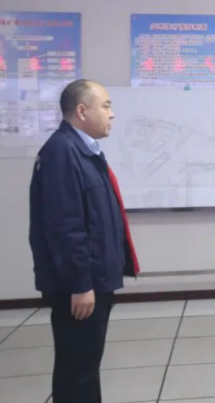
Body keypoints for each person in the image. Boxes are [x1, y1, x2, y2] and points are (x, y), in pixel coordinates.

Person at [29, 79, 140, 402]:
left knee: (84, 365)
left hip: (94, 280)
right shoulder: (62, 153)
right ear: (81, 111)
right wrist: (80, 284)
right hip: (79, 286)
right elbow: (65, 227)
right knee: (77, 370)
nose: (112, 114)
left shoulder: (82, 150)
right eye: (105, 106)